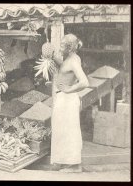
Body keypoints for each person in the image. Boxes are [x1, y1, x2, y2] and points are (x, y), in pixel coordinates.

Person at [50, 34, 89, 172]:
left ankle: (75, 166)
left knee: (70, 132)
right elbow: (66, 69)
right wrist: (53, 58)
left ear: (70, 47)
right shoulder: (71, 58)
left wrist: (69, 89)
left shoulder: (73, 61)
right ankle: (63, 161)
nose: (60, 48)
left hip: (68, 99)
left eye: (62, 45)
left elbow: (84, 82)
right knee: (62, 131)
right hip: (64, 99)